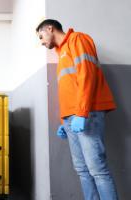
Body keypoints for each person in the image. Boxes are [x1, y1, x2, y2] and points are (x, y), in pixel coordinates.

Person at [36, 19, 118, 200]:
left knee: (98, 169)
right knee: (82, 170)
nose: (41, 42)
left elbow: (87, 76)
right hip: (71, 117)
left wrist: (81, 113)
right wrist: (63, 121)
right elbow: (70, 89)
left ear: (50, 28)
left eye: (41, 36)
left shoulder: (77, 39)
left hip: (86, 113)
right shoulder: (61, 53)